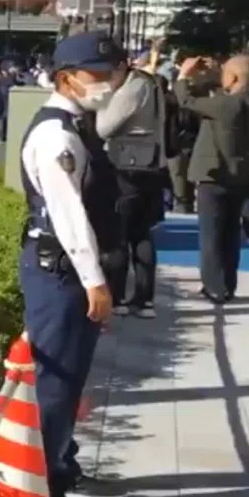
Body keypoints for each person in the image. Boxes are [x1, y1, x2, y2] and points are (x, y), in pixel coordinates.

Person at [18, 31, 123, 497]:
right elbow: (68, 215)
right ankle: (47, 481)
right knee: (56, 380)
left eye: (111, 73)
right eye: (96, 75)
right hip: (59, 271)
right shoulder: (55, 134)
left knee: (73, 375)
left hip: (70, 270)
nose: (107, 82)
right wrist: (95, 282)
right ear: (66, 79)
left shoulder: (79, 123)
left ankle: (61, 461)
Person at [175, 54, 249, 304]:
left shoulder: (225, 105)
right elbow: (232, 87)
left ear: (233, 78)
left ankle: (214, 287)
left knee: (211, 235)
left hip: (213, 175)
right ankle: (228, 284)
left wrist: (184, 75)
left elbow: (186, 100)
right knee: (230, 234)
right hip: (240, 174)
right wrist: (219, 73)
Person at [95, 46, 166, 318]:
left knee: (119, 233)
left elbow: (104, 127)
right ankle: (144, 299)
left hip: (127, 167)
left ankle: (118, 297)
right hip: (151, 166)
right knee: (142, 234)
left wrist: (103, 103)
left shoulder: (131, 89)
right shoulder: (151, 83)